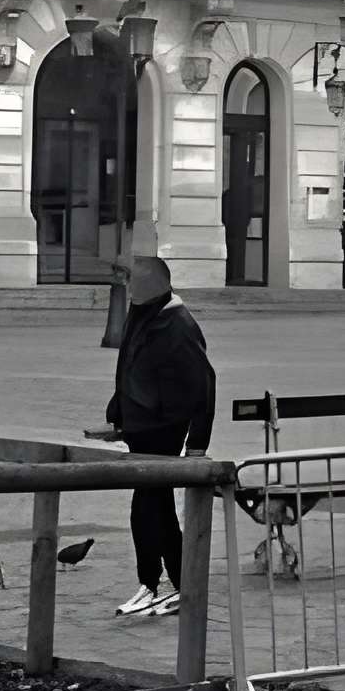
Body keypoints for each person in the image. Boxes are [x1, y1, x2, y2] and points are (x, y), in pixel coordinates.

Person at [107, 254, 216, 619]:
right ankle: (168, 583)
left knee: (149, 507)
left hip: (163, 427)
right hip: (140, 427)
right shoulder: (144, 313)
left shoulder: (177, 324)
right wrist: (118, 413)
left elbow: (204, 384)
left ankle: (161, 583)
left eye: (131, 280)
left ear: (150, 284)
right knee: (154, 507)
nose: (127, 287)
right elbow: (129, 367)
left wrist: (197, 443)